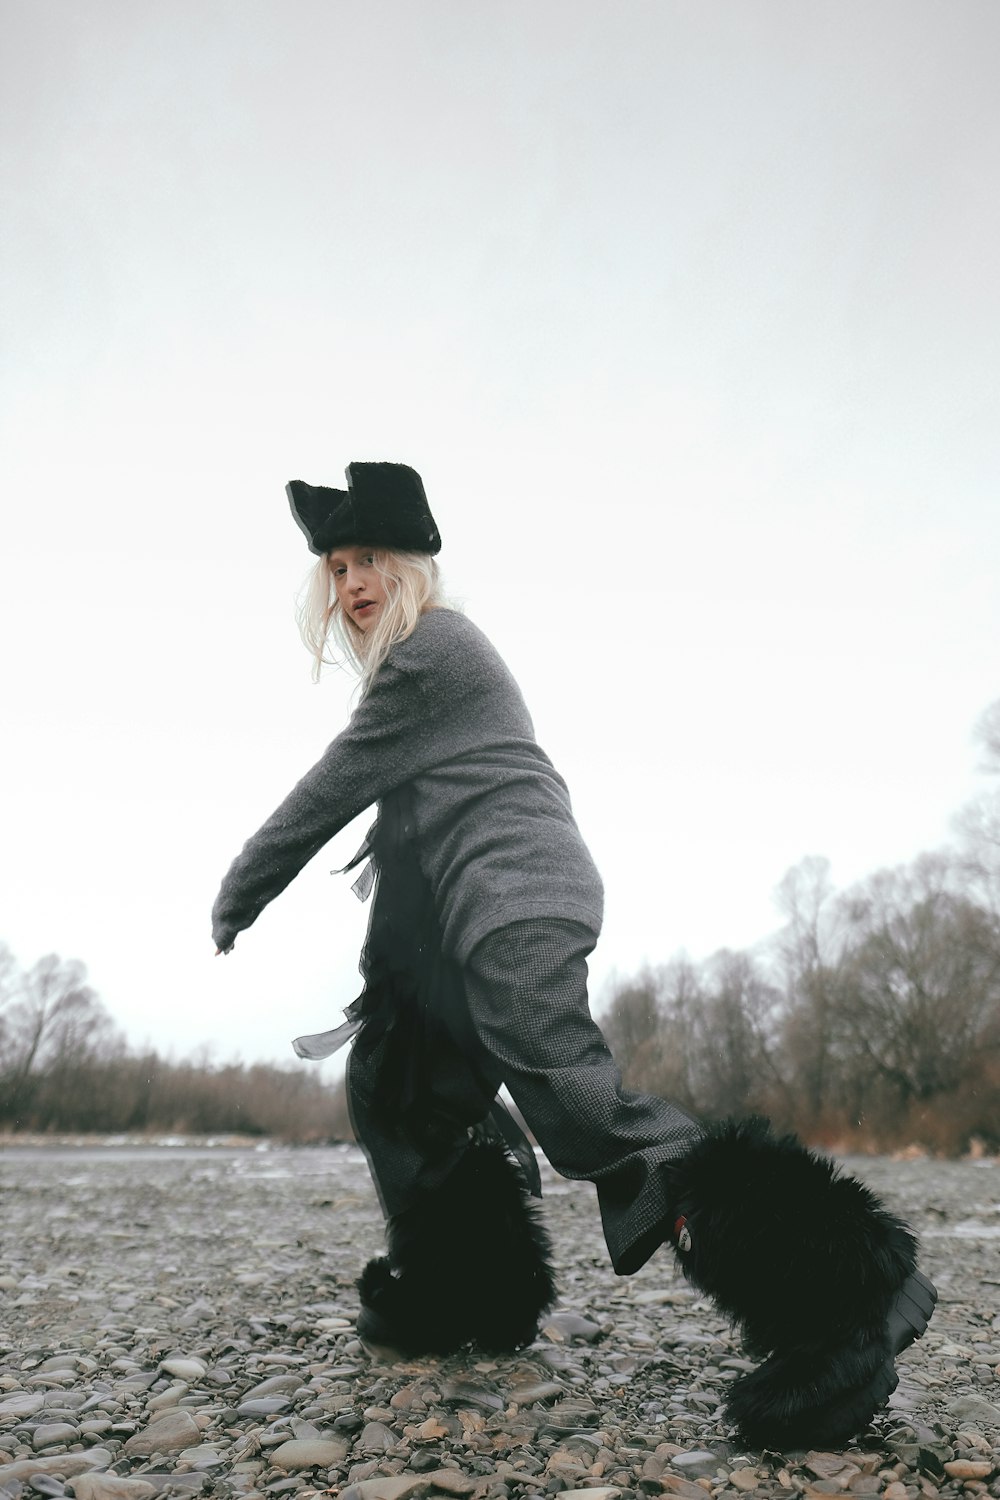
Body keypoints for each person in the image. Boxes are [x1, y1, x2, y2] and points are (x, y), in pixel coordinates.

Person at [212, 461, 935, 1451]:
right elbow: (407, 828)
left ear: (413, 566)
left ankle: (847, 1297)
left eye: (368, 559)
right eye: (335, 567)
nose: (350, 584)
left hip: (515, 898)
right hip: (474, 908)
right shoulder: (421, 672)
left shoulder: (434, 649)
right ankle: (466, 1288)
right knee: (402, 1081)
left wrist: (243, 885)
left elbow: (336, 784)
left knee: (585, 1114)